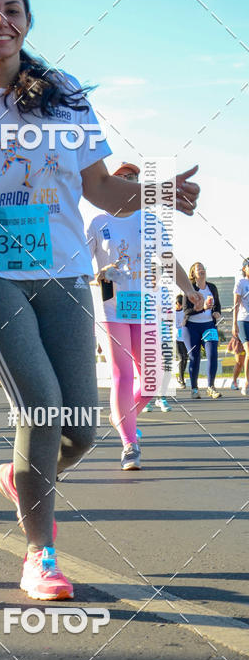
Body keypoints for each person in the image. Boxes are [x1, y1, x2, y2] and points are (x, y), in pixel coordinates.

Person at [0, 0, 200, 600]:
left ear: (27, 22)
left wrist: (163, 192)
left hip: (66, 271)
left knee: (80, 425)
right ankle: (40, 555)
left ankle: (20, 476)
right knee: (43, 404)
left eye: (11, 9)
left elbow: (101, 189)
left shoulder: (67, 95)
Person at [87, 162, 199, 468]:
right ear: (113, 183)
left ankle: (121, 416)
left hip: (143, 307)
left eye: (134, 178)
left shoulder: (149, 221)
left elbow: (168, 260)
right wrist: (99, 273)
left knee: (154, 378)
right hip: (111, 309)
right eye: (124, 178)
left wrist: (189, 290)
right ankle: (129, 444)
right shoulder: (98, 222)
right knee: (123, 375)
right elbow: (81, 268)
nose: (130, 182)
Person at [184, 263, 222, 399]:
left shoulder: (212, 287)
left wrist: (216, 312)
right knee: (195, 357)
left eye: (202, 268)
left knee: (212, 354)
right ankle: (194, 389)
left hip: (209, 325)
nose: (201, 270)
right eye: (198, 268)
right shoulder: (189, 289)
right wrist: (202, 308)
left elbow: (217, 306)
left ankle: (211, 387)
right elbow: (186, 311)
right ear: (193, 273)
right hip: (191, 327)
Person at [232, 258, 249, 395]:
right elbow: (236, 305)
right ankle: (246, 383)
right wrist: (234, 324)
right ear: (244, 268)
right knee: (248, 351)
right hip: (243, 321)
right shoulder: (241, 282)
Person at [175, 294, 189, 389]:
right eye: (179, 304)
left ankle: (180, 376)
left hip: (184, 338)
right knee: (181, 357)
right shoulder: (171, 313)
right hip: (176, 338)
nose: (180, 306)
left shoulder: (184, 312)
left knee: (185, 358)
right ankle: (182, 379)